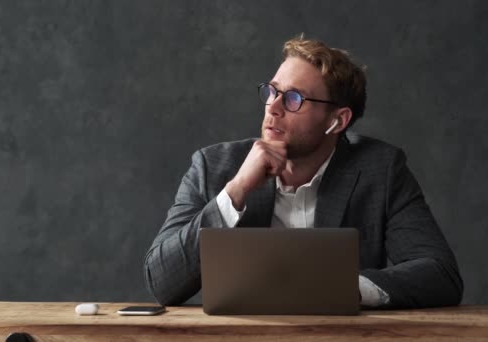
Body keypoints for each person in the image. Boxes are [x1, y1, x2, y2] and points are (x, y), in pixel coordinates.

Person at [144, 35, 463, 309]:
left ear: (337, 121)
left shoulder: (380, 169)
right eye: (272, 91)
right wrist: (236, 192)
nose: (273, 107)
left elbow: (440, 274)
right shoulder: (214, 167)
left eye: (294, 98)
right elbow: (162, 282)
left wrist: (339, 288)